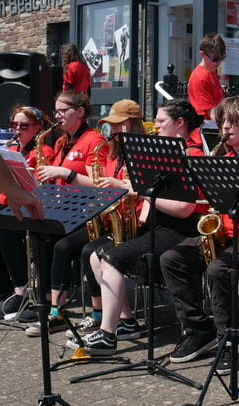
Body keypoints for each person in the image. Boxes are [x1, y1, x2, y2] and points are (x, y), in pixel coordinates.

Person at [67, 98, 208, 355]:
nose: (155, 127)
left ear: (180, 123)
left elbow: (184, 208)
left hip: (181, 229)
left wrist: (139, 192)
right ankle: (126, 322)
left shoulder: (191, 154)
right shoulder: (163, 151)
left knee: (111, 258)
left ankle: (108, 336)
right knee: (98, 256)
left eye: (161, 122)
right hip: (159, 226)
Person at [159, 96, 239, 372]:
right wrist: (189, 175)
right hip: (227, 234)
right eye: (222, 122)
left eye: (232, 122)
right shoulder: (223, 159)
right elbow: (203, 200)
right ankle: (198, 328)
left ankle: (228, 341)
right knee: (172, 258)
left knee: (219, 269)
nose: (225, 128)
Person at [27, 90, 108, 336]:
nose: (58, 116)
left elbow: (99, 182)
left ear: (80, 112)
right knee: (39, 237)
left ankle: (59, 313)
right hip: (66, 209)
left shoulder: (94, 140)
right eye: (57, 111)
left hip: (92, 213)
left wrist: (65, 174)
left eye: (63, 111)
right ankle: (46, 301)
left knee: (63, 247)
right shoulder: (62, 141)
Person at [65, 99, 147, 338]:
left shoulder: (143, 152)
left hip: (138, 221)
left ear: (133, 124)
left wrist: (119, 185)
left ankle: (116, 319)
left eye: (119, 124)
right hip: (119, 219)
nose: (113, 130)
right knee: (90, 252)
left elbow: (145, 188)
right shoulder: (112, 153)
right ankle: (123, 318)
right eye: (112, 125)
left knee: (96, 254)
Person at [0, 106, 52, 318]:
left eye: (23, 126)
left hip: (31, 208)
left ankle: (22, 289)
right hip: (8, 206)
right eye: (14, 125)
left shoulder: (43, 152)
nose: (17, 129)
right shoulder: (13, 150)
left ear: (37, 128)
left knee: (5, 230)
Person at [188, 32, 226, 121]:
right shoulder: (201, 77)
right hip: (204, 127)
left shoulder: (212, 71)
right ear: (202, 54)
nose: (219, 62)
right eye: (215, 59)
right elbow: (211, 112)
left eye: (222, 58)